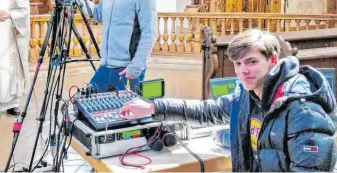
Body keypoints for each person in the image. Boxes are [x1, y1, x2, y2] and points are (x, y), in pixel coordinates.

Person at [120, 29, 337, 172]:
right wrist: (152, 107)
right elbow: (208, 111)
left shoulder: (303, 110)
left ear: (272, 60)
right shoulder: (249, 95)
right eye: (238, 64)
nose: (243, 71)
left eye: (251, 62)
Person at [87, 0, 157, 93]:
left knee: (127, 113)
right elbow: (98, 15)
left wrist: (136, 67)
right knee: (87, 104)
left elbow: (149, 34)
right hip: (106, 66)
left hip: (128, 67)